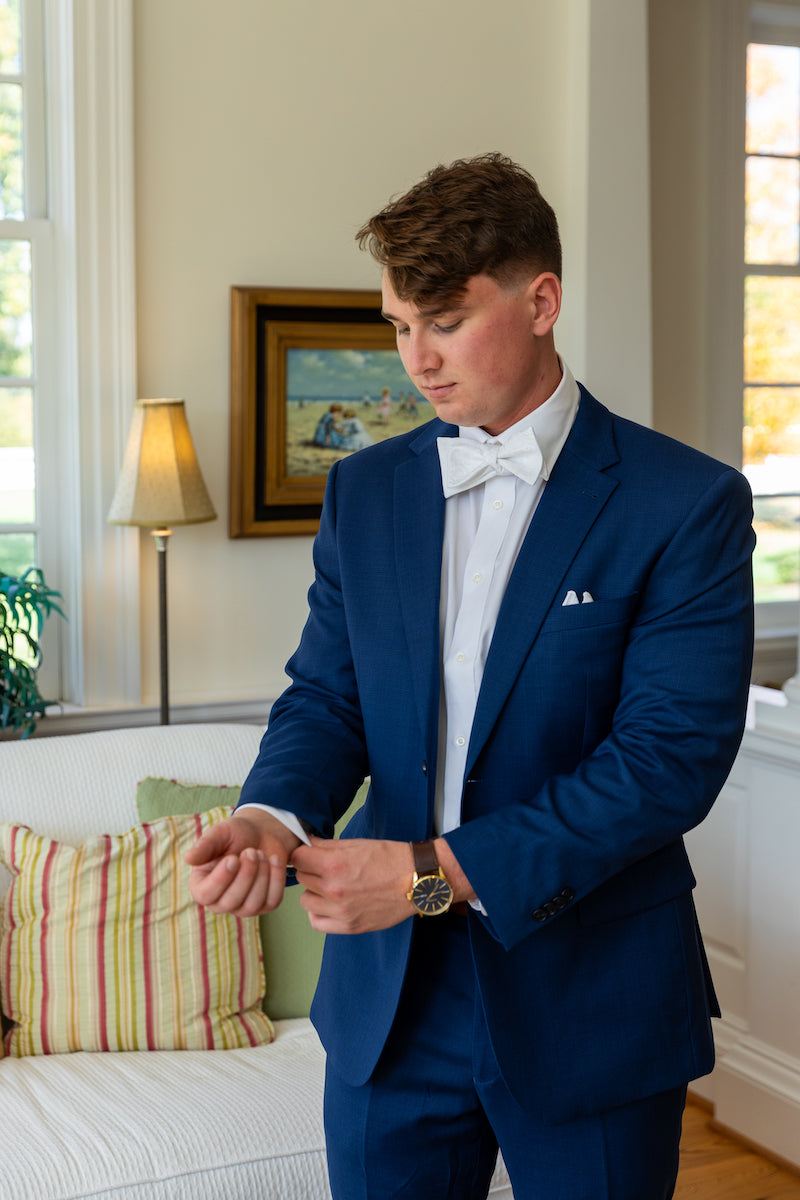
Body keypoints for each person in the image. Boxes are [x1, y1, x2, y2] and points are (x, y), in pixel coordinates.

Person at [187, 153, 755, 1200]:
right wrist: (271, 814)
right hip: (388, 1007)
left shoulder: (685, 503)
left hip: (589, 997)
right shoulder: (365, 493)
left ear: (540, 301)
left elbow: (663, 765)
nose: (416, 361)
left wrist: (425, 874)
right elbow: (327, 697)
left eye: (443, 321)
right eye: (399, 326)